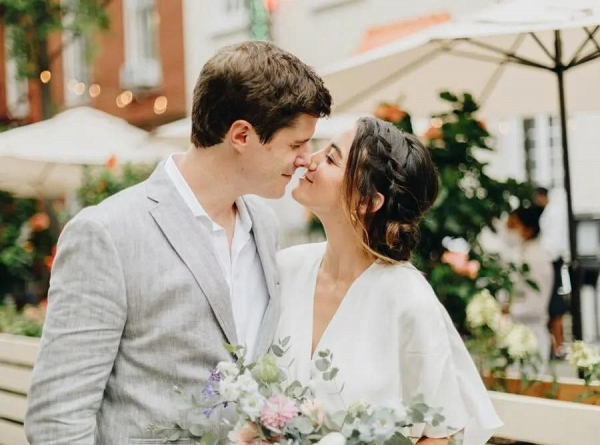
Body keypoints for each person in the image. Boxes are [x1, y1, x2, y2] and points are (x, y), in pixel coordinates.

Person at [25, 41, 332, 444]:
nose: (306, 159)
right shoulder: (106, 234)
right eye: (296, 144)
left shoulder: (265, 225)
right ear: (242, 134)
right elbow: (57, 419)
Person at [276, 117, 502, 445]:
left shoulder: (409, 299)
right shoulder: (286, 268)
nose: (308, 160)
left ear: (367, 201)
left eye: (331, 158)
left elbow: (442, 434)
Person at [506, 206, 554, 367]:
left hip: (532, 335)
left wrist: (507, 310)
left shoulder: (537, 258)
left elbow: (535, 305)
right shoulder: (522, 254)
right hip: (518, 333)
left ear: (528, 230)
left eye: (513, 225)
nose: (508, 230)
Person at [533, 187, 570, 358]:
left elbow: (552, 242)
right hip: (549, 259)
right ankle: (555, 345)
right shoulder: (551, 212)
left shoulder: (553, 213)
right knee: (550, 306)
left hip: (551, 260)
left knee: (554, 305)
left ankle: (558, 345)